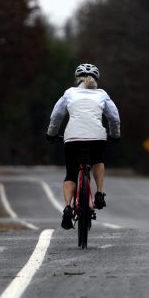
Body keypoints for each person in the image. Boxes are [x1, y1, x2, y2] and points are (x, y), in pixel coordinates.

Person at [46, 63, 121, 230]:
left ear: (77, 79)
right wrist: (115, 135)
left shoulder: (69, 93)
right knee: (98, 160)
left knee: (71, 174)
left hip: (73, 138)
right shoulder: (102, 94)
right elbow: (114, 118)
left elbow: (57, 115)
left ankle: (67, 208)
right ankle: (100, 193)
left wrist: (51, 133)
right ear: (96, 79)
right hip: (97, 137)